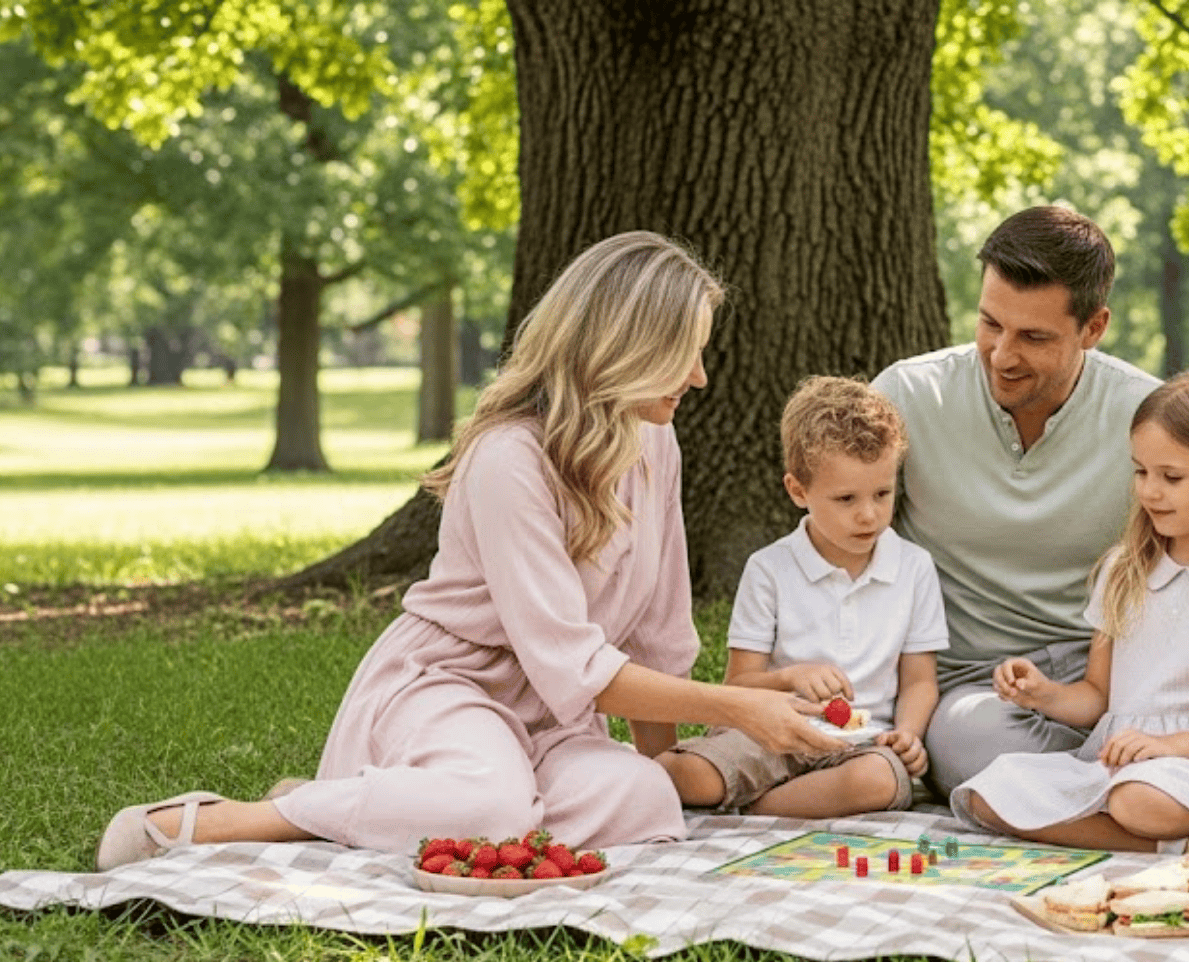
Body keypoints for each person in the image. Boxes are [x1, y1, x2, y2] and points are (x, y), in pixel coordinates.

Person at [96, 231, 845, 871]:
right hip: (448, 687)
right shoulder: (508, 457)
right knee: (489, 809)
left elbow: (657, 629)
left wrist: (662, 770)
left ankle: (386, 805)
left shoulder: (655, 440)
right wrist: (744, 709)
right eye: (686, 354)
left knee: (644, 800)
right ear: (628, 348)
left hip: (552, 720)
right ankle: (231, 818)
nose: (700, 377)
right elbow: (576, 664)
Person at [870, 205, 1189, 804]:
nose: (1001, 354)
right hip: (985, 683)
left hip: (1150, 670)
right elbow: (841, 541)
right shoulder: (908, 396)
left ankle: (1144, 780)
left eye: (1034, 336)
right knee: (975, 746)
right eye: (991, 323)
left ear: (1093, 328)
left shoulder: (1148, 413)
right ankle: (1182, 785)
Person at [950, 369, 1189, 851]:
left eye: (1171, 477)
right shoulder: (1123, 570)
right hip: (1124, 766)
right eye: (1140, 471)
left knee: (1139, 802)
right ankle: (1178, 842)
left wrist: (1166, 749)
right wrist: (1042, 695)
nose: (1149, 491)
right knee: (989, 793)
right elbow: (1096, 696)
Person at [658, 376, 947, 817]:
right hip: (772, 731)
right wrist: (791, 677)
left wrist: (907, 733)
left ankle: (756, 809)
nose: (869, 514)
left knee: (879, 780)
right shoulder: (769, 568)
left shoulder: (914, 567)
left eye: (883, 494)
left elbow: (920, 680)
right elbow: (739, 684)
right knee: (684, 775)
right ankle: (783, 800)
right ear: (798, 491)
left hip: (863, 743)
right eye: (846, 498)